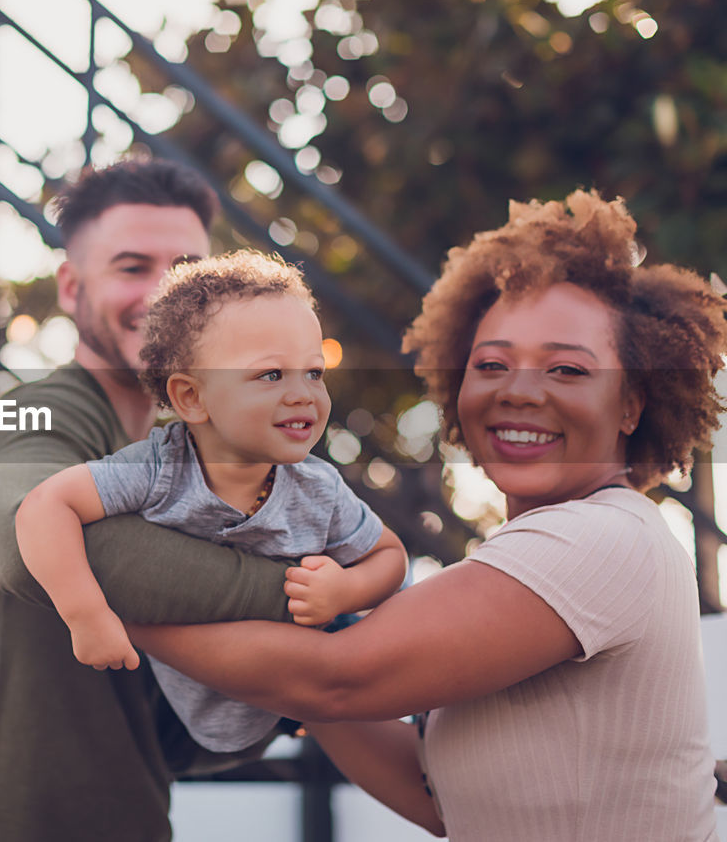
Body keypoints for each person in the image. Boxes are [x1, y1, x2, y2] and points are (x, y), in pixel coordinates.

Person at [127, 190, 725, 841]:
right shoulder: (529, 554)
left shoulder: (603, 537)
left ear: (632, 403)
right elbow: (438, 795)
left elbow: (341, 680)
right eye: (491, 363)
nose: (519, 389)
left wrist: (116, 596)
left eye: (567, 368)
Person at [0, 160, 309, 842]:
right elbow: (24, 539)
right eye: (132, 267)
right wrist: (305, 597)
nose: (164, 295)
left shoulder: (176, 455)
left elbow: (161, 728)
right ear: (71, 287)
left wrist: (293, 689)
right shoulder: (28, 415)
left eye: (187, 271)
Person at [15, 250, 406, 752]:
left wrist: (344, 593)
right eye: (271, 375)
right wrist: (86, 615)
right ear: (192, 398)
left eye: (314, 373)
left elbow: (389, 556)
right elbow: (44, 506)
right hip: (186, 709)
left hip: (306, 688)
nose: (304, 394)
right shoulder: (158, 469)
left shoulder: (318, 488)